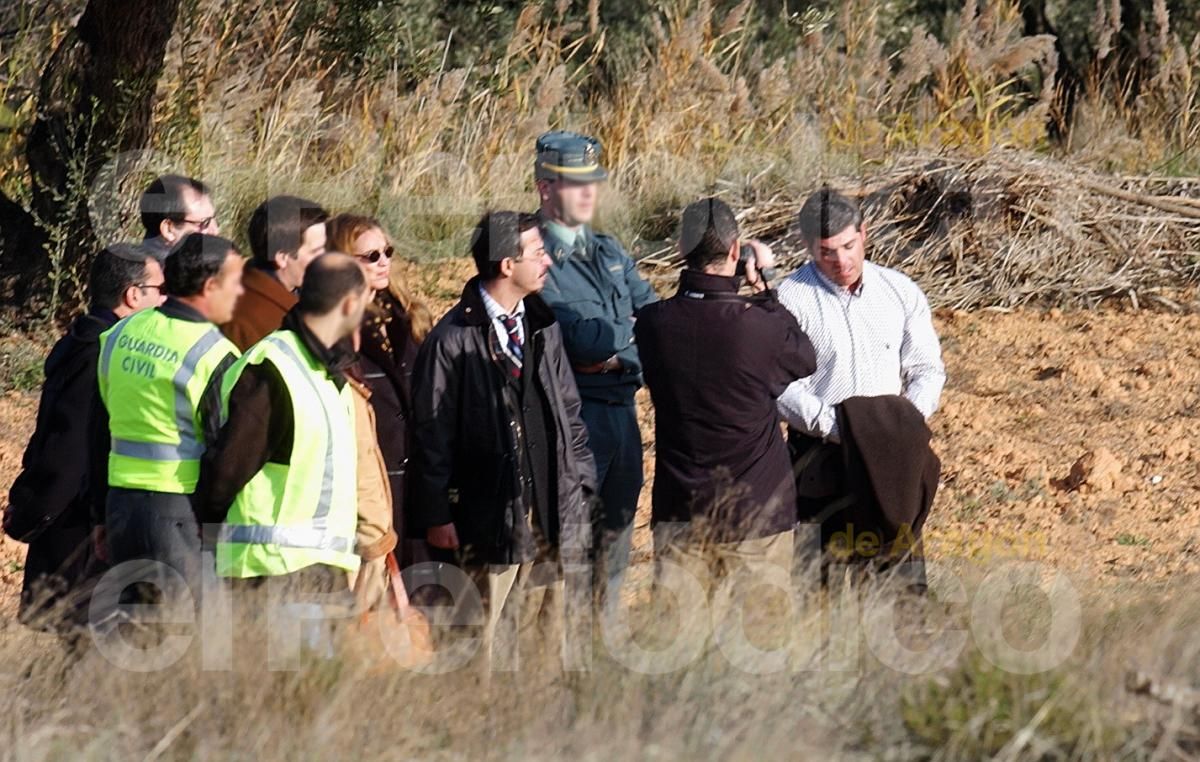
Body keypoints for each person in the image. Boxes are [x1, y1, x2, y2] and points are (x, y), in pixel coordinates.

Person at [411, 210, 597, 670]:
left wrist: (582, 482)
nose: (549, 261)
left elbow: (568, 411)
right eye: (538, 252)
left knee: (546, 637)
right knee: (482, 637)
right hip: (489, 517)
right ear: (507, 265)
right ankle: (481, 724)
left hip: (553, 509)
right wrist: (436, 511)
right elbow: (430, 435)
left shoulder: (542, 325)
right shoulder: (451, 339)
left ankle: (541, 726)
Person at [635, 197, 816, 593]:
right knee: (759, 647)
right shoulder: (758, 327)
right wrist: (766, 287)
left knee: (684, 647)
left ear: (681, 251)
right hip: (757, 512)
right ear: (736, 251)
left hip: (681, 510)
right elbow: (804, 358)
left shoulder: (652, 324)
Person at [776, 188, 946, 589]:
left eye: (849, 246)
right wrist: (846, 429)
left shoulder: (900, 291)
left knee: (899, 590)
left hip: (894, 459)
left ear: (864, 233)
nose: (841, 261)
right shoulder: (788, 299)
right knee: (821, 593)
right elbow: (781, 387)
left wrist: (901, 423)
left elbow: (927, 369)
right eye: (827, 251)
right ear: (808, 247)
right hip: (821, 458)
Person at [3, 244, 164, 633]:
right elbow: (70, 441)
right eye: (159, 288)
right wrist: (41, 508)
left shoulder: (80, 338)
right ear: (132, 294)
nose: (165, 298)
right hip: (76, 523)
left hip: (68, 514)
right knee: (86, 641)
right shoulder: (101, 351)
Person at [196, 253, 371, 605]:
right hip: (271, 575)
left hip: (317, 571)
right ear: (350, 303)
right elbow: (227, 470)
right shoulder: (274, 367)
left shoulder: (326, 371)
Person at [533, 130, 657, 596]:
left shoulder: (610, 250)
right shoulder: (533, 256)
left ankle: (606, 662)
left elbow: (657, 319)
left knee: (614, 558)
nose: (589, 192)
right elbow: (581, 344)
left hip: (624, 411)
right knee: (567, 563)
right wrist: (626, 331)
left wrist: (614, 342)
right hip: (573, 420)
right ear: (545, 187)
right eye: (573, 182)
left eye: (593, 181)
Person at [96, 233, 244, 610]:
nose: (241, 293)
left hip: (121, 507)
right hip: (179, 512)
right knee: (193, 634)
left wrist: (98, 512)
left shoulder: (119, 334)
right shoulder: (215, 353)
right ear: (210, 286)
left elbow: (97, 429)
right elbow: (222, 452)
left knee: (134, 628)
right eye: (236, 282)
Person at [325, 214, 434, 570]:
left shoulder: (410, 317)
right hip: (369, 485)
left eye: (386, 251)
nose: (384, 261)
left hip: (418, 483)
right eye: (370, 256)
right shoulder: (334, 326)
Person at [221, 195, 328, 351]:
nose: (326, 257)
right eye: (315, 251)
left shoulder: (306, 295)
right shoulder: (250, 325)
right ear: (283, 258)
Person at [137, 175, 220, 262]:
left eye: (214, 219)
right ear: (168, 230)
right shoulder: (160, 274)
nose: (215, 231)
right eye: (205, 223)